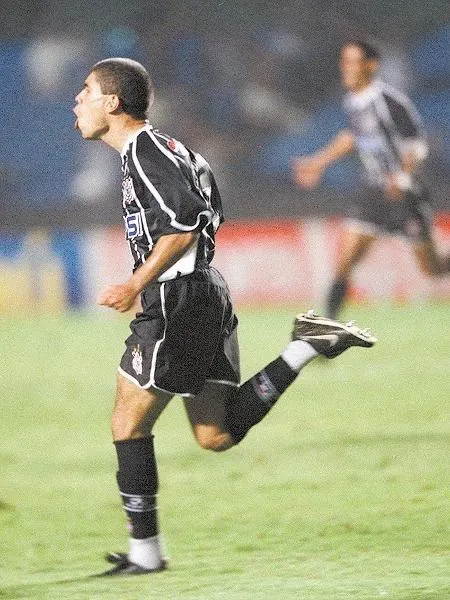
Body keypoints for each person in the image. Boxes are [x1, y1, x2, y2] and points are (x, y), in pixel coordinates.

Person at [73, 57, 377, 577]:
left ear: (112, 102)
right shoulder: (168, 149)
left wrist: (135, 283)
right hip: (205, 294)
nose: (76, 101)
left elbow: (185, 225)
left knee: (128, 423)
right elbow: (208, 207)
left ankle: (147, 555)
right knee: (216, 433)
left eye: (86, 91)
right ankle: (305, 345)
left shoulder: (144, 151)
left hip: (176, 299)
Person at [292, 40, 449, 319]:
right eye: (344, 61)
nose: (346, 68)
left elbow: (418, 146)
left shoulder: (389, 102)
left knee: (432, 268)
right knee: (345, 261)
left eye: (352, 61)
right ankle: (326, 330)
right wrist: (318, 162)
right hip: (373, 194)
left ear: (371, 65)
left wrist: (400, 178)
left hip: (404, 195)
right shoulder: (353, 101)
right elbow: (353, 137)